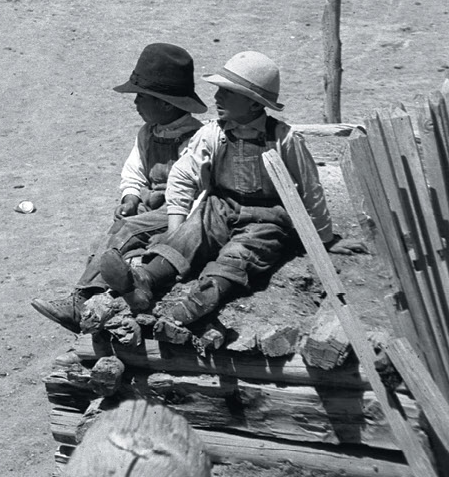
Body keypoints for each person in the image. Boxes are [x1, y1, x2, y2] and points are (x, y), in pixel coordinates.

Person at [89, 50, 332, 345]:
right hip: (219, 207)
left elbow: (310, 188)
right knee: (192, 234)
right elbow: (182, 176)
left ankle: (203, 297)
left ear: (254, 102)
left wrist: (322, 238)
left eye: (227, 93)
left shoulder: (283, 138)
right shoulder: (213, 133)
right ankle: (144, 282)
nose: (217, 97)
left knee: (244, 251)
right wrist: (178, 228)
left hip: (268, 216)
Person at [32, 43, 207, 331]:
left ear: (164, 103)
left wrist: (170, 226)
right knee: (112, 234)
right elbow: (134, 171)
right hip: (150, 213)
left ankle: (82, 299)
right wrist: (131, 196)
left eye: (141, 97)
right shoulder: (147, 134)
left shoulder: (196, 139)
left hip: (179, 215)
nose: (135, 103)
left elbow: (193, 193)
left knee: (126, 231)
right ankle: (95, 299)